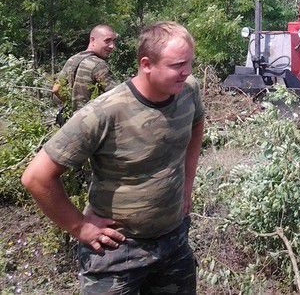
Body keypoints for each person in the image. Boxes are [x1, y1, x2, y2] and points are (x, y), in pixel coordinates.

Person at [22, 21, 205, 294]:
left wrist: (187, 184)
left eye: (189, 63)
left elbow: (196, 125)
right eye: (177, 65)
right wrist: (79, 227)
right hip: (117, 253)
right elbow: (36, 177)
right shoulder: (104, 112)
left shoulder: (188, 90)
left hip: (172, 242)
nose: (186, 72)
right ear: (146, 64)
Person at [53, 24, 118, 116]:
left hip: (71, 121)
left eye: (113, 41)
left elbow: (56, 89)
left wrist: (71, 104)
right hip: (89, 122)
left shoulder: (72, 59)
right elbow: (116, 96)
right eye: (107, 41)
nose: (112, 46)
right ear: (92, 40)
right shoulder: (99, 65)